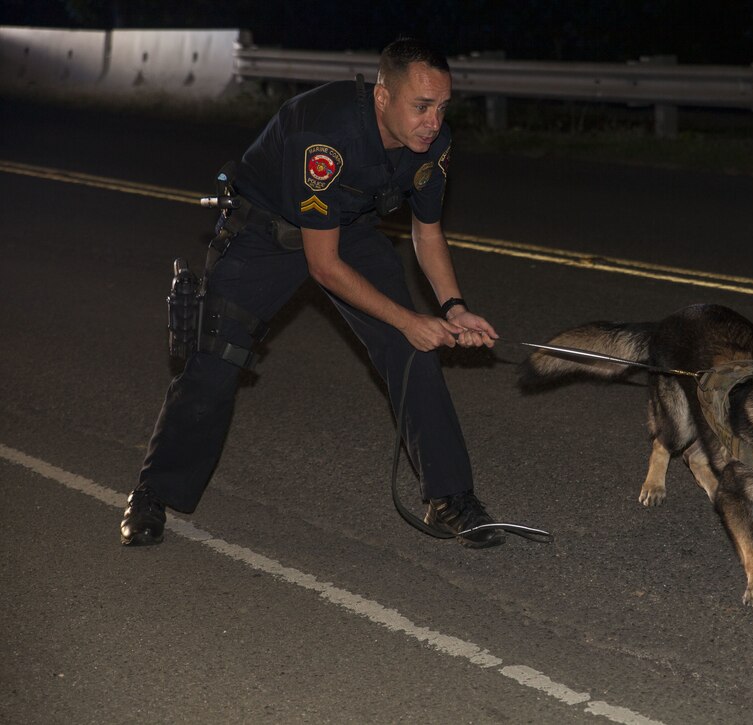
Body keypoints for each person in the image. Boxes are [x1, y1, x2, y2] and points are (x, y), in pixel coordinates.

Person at [121, 37, 507, 549]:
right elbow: (323, 268)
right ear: (382, 97)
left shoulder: (434, 143)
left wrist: (453, 308)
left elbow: (427, 232)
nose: (433, 122)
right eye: (421, 107)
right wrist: (410, 319)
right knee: (215, 360)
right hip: (265, 234)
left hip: (348, 228)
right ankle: (153, 493)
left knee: (412, 348)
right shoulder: (324, 133)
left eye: (441, 107)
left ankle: (450, 498)